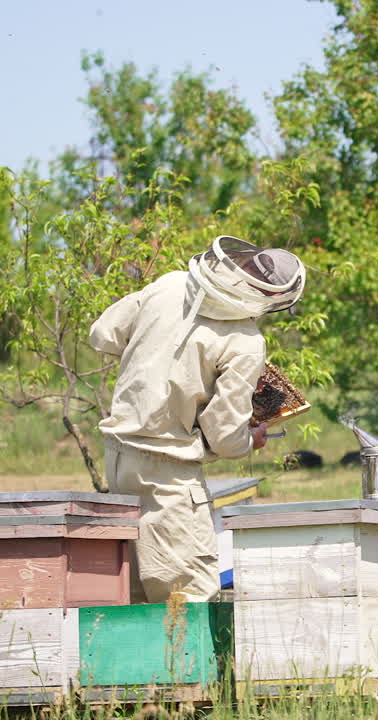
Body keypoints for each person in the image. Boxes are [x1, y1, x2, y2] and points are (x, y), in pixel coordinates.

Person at [89, 236, 305, 603]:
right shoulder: (245, 340)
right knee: (185, 594)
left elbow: (102, 335)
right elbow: (223, 434)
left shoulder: (171, 284)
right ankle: (189, 664)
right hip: (170, 473)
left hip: (118, 459)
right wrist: (249, 439)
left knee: (135, 594)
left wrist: (159, 352)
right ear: (272, 298)